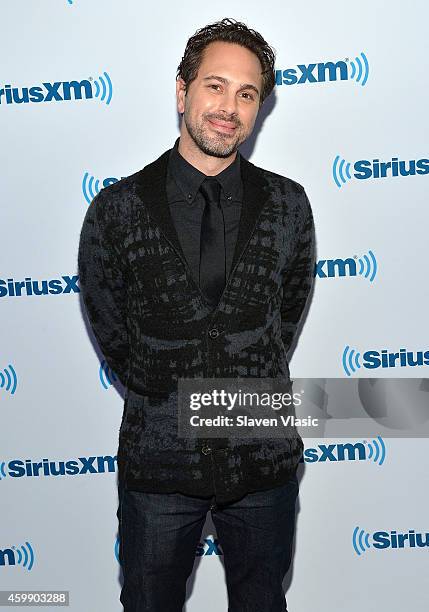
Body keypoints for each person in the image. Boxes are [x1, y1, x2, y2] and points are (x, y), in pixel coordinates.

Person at [78, 17, 316, 612]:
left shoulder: (289, 205)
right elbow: (111, 328)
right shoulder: (117, 209)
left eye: (246, 93)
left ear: (260, 108)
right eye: (215, 86)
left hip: (263, 461)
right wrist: (167, 394)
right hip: (158, 464)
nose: (228, 108)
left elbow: (282, 319)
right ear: (182, 91)